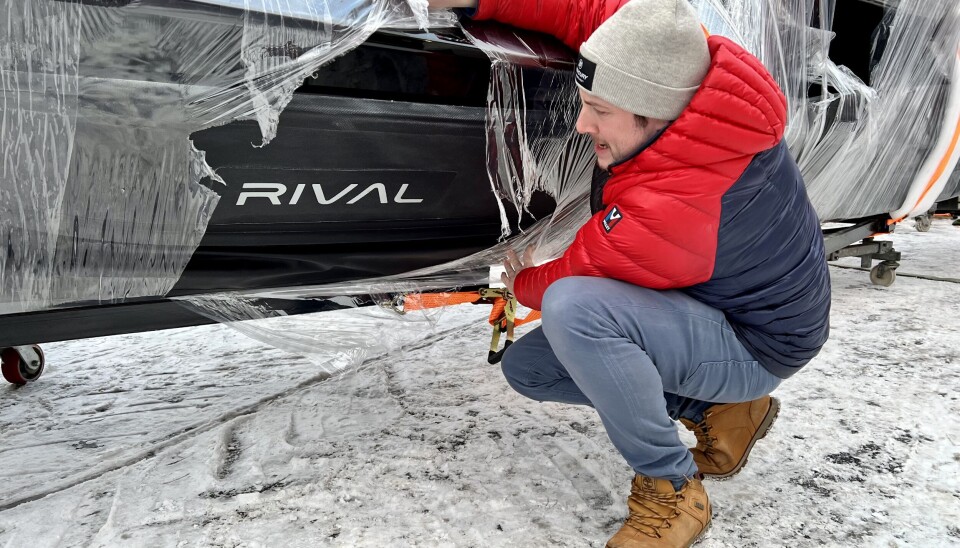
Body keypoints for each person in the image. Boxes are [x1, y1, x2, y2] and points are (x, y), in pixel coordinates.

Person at [428, 0, 832, 546]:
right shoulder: (683, 76)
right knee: (531, 369)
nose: (581, 123)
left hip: (760, 344)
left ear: (654, 111)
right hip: (726, 306)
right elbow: (596, 12)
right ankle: (721, 410)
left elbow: (568, 278)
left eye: (600, 110)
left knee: (577, 310)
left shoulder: (676, 204)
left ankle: (672, 489)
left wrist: (516, 278)